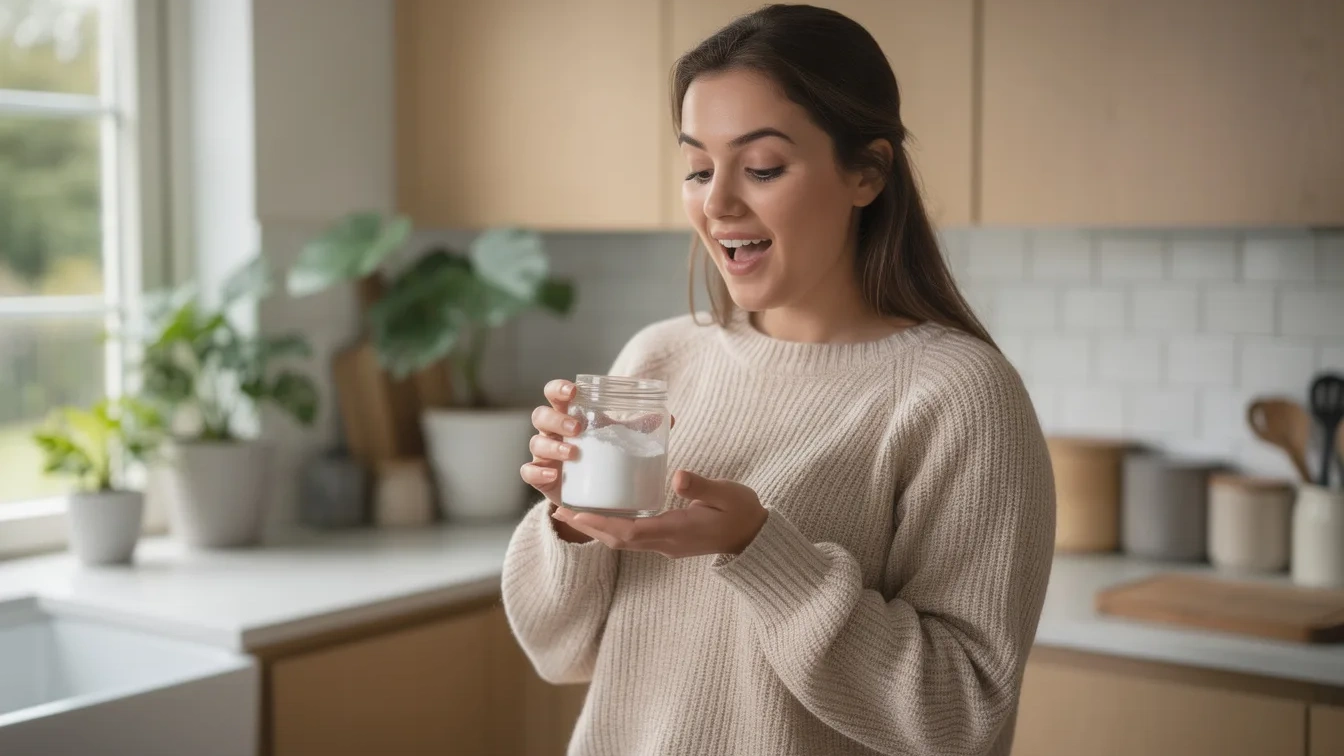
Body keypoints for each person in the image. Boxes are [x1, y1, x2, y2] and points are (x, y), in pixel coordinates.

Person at [501, 5, 1056, 755]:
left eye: (762, 168)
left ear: (868, 172)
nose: (718, 203)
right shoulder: (657, 360)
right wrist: (571, 521)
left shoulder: (959, 395)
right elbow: (558, 653)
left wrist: (761, 550)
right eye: (699, 169)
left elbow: (961, 714)